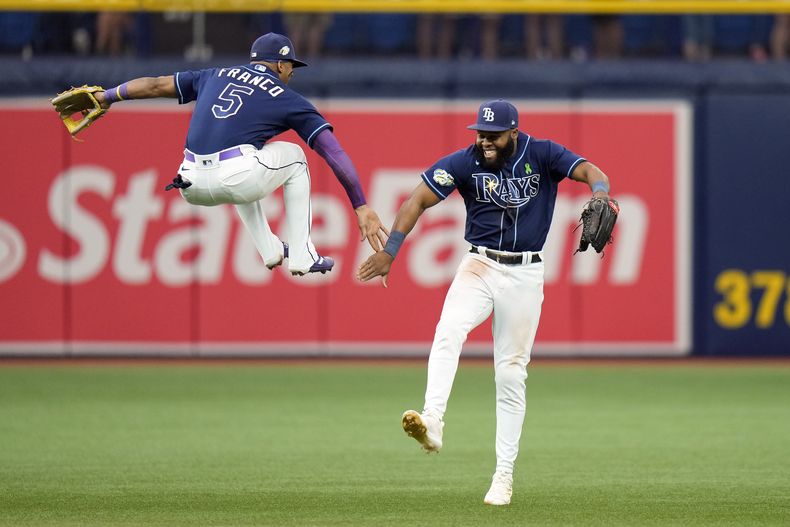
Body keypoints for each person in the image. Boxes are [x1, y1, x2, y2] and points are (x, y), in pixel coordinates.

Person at [357, 100, 614, 505]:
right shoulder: (465, 161)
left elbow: (591, 172)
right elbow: (416, 200)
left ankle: (503, 477)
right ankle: (433, 421)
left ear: (514, 132)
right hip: (479, 263)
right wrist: (391, 250)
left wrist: (600, 193)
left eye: (493, 134)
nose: (484, 141)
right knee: (449, 329)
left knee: (510, 375)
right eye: (479, 132)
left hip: (526, 274)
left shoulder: (542, 153)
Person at [92, 32, 387, 274]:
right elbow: (332, 151)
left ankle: (270, 249)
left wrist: (106, 97)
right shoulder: (286, 97)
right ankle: (302, 254)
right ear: (281, 65)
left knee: (249, 156)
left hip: (189, 180)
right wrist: (360, 205)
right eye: (291, 66)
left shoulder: (213, 74)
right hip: (235, 175)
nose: (291, 73)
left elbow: (155, 85)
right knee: (296, 158)